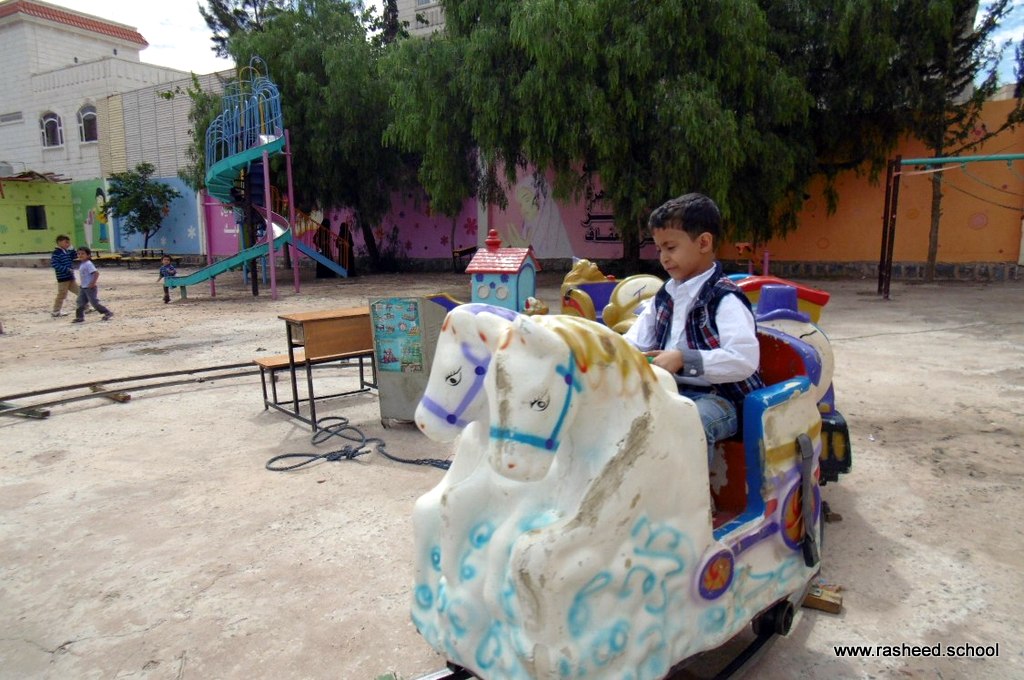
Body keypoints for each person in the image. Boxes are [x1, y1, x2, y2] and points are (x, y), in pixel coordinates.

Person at [624, 193, 763, 465]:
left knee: (688, 424)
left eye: (670, 247)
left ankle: (693, 492)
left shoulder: (725, 299)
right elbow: (635, 341)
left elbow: (743, 360)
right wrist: (611, 350)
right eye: (659, 250)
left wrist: (683, 360)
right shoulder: (664, 295)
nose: (664, 258)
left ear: (703, 242)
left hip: (719, 399)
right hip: (668, 389)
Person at [72, 246, 113, 323]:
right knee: (80, 302)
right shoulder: (82, 264)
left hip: (90, 287)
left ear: (88, 255)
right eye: (79, 254)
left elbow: (96, 273)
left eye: (82, 254)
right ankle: (79, 317)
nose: (80, 255)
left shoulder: (88, 264)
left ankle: (107, 312)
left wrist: (92, 283)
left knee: (94, 303)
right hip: (83, 287)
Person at [50, 234, 79, 317]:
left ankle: (85, 307)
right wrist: (66, 269)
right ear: (59, 242)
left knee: (80, 292)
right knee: (62, 294)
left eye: (68, 242)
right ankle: (56, 311)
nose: (67, 244)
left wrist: (72, 248)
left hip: (70, 277)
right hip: (63, 278)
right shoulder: (56, 253)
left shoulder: (66, 252)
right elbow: (55, 264)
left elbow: (74, 256)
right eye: (65, 242)